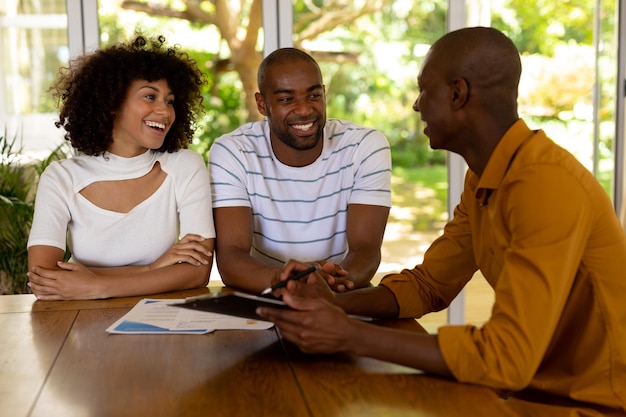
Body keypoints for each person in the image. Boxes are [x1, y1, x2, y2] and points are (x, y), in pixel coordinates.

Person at [257, 27, 626, 412]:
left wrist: (350, 335)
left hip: (593, 406)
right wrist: (334, 303)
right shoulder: (484, 177)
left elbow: (506, 358)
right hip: (526, 395)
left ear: (457, 94)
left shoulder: (544, 184)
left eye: (423, 89)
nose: (417, 105)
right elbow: (430, 285)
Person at [26, 34, 215, 300]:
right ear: (112, 103)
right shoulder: (62, 177)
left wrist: (95, 285)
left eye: (170, 101)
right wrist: (153, 269)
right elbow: (43, 278)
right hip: (80, 324)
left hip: (161, 322)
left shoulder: (185, 166)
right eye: (150, 96)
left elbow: (197, 273)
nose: (165, 111)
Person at [208, 47, 392, 294]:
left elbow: (366, 250)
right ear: (262, 104)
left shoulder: (364, 147)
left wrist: (328, 286)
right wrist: (288, 281)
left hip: (340, 294)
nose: (304, 109)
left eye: (313, 96)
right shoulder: (233, 152)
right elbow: (231, 257)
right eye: (286, 99)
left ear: (324, 94)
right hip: (263, 293)